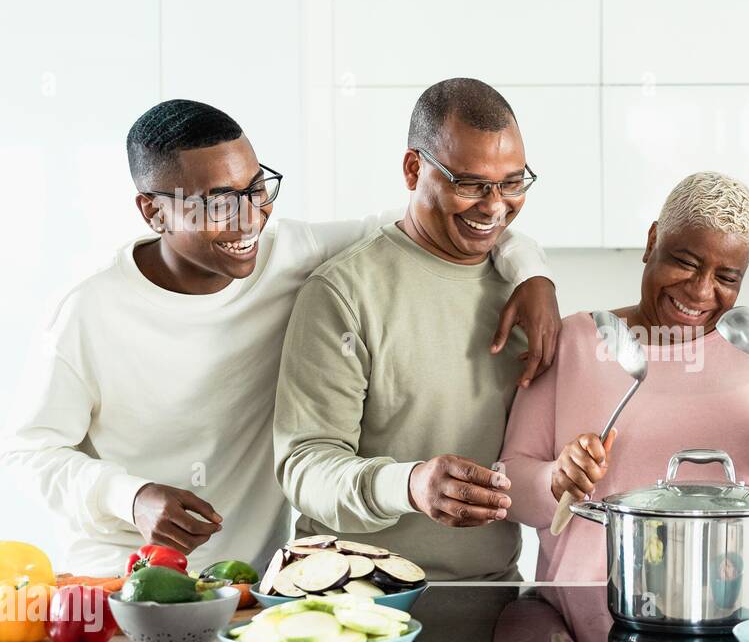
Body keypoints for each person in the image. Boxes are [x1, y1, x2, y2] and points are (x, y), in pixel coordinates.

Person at [0, 97, 558, 576]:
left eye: (257, 189)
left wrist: (532, 273)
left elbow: (445, 214)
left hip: (252, 578)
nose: (250, 220)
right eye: (219, 202)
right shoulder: (88, 312)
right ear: (153, 211)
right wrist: (132, 497)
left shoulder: (288, 254)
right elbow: (30, 453)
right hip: (125, 577)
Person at [499, 171, 749, 582]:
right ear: (652, 243)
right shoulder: (574, 342)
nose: (700, 291)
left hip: (740, 607)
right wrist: (554, 479)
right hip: (588, 615)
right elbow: (507, 485)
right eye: (685, 263)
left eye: (726, 278)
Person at [274, 78, 556, 579]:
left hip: (489, 596)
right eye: (469, 184)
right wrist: (408, 485)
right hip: (352, 595)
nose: (494, 207)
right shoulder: (343, 292)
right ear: (413, 169)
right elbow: (305, 466)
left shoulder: (523, 292)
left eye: (513, 183)